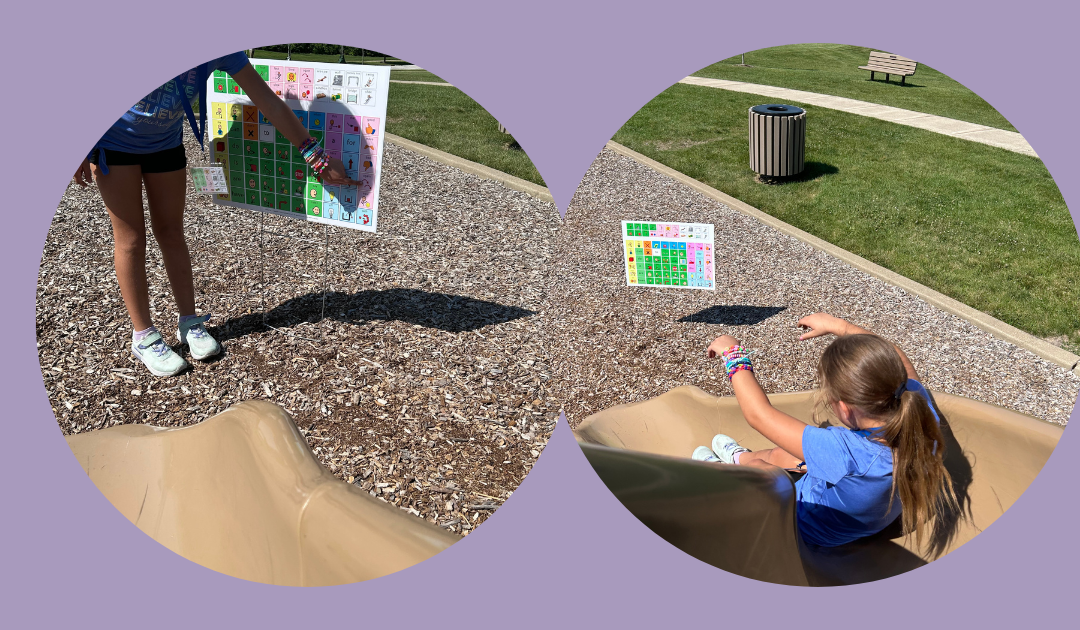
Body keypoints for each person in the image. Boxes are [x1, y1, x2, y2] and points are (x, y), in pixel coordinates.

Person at [72, 51, 356, 377]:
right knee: (131, 239)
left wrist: (317, 158)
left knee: (171, 231)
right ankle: (143, 335)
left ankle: (189, 322)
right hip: (114, 143)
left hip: (165, 144)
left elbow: (270, 103)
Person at [693, 312, 958, 549]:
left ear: (845, 408)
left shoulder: (846, 452)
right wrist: (839, 326)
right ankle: (739, 456)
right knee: (782, 454)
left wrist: (733, 353)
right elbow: (899, 361)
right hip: (864, 517)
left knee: (767, 473)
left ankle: (720, 471)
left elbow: (759, 415)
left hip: (806, 526)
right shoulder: (918, 412)